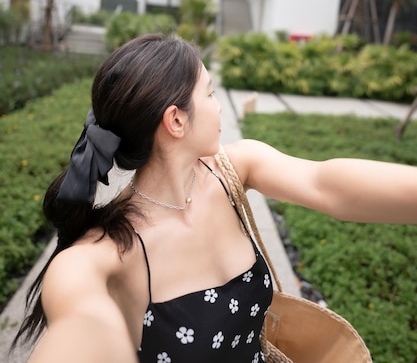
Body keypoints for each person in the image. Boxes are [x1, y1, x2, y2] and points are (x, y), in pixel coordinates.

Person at [13, 33, 417, 363]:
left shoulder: (233, 169)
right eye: (210, 94)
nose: (219, 106)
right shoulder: (102, 255)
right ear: (176, 120)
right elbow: (79, 325)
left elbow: (326, 183)